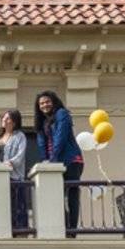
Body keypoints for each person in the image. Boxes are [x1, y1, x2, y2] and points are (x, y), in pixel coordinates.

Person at [33, 90, 82, 229]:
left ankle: (72, 229)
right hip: (55, 163)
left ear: (53, 102)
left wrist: (53, 160)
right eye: (41, 103)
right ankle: (64, 226)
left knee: (72, 194)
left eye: (47, 102)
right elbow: (42, 144)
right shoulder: (42, 122)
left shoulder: (62, 114)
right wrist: (45, 162)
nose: (44, 105)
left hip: (71, 160)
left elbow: (61, 137)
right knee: (56, 195)